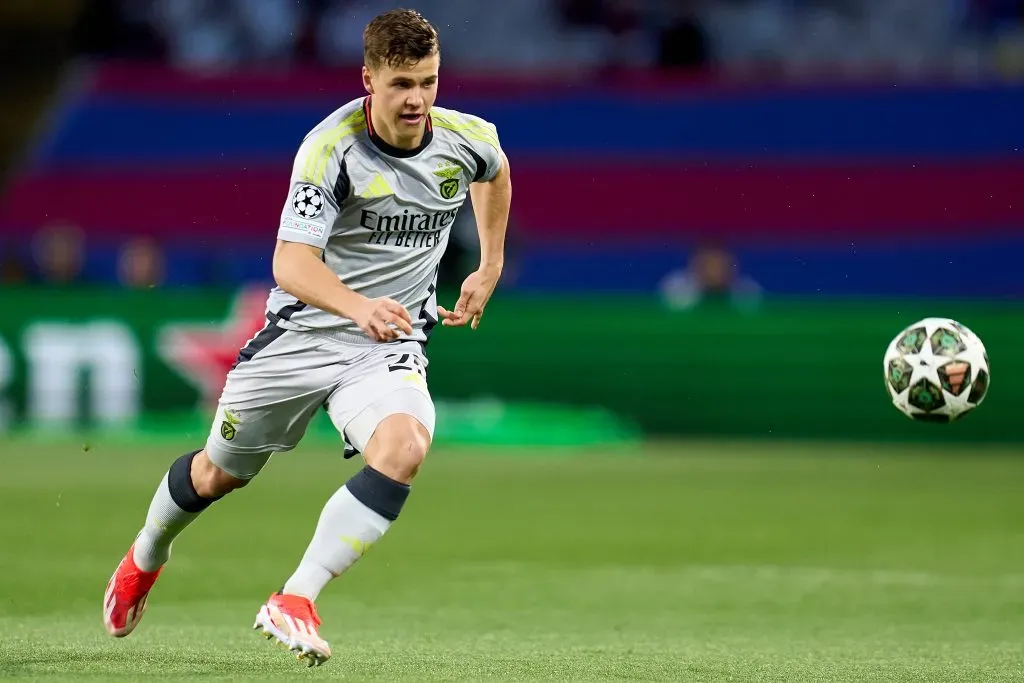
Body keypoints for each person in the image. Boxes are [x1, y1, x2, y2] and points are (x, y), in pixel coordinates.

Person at [101, 8, 511, 667]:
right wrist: (356, 305)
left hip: (385, 346)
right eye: (401, 83)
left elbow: (494, 172)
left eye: (429, 82)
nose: (417, 100)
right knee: (216, 474)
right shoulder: (331, 149)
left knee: (404, 445)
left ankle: (296, 596)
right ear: (368, 79)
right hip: (301, 338)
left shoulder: (466, 138)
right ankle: (145, 555)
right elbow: (290, 263)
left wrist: (488, 264)